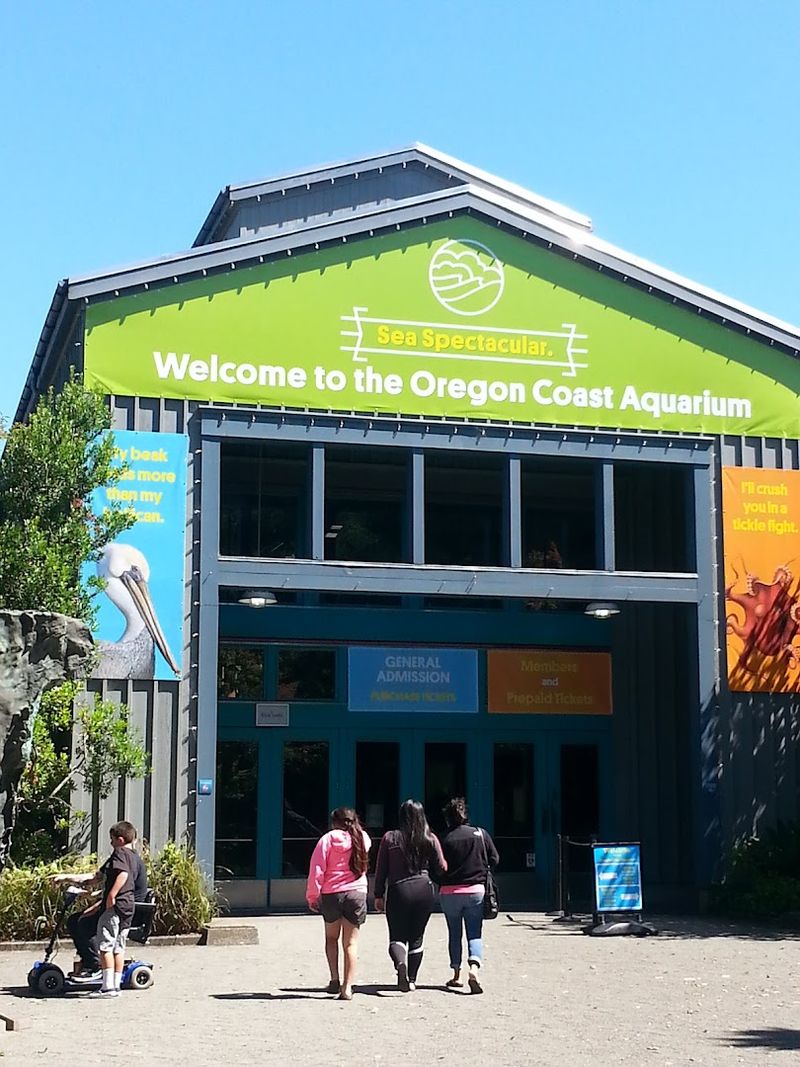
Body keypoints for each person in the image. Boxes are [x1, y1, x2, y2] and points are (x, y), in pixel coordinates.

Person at [374, 799, 446, 992]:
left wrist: (378, 894)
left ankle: (400, 965)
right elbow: (441, 867)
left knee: (396, 936)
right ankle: (412, 979)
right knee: (417, 937)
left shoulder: (390, 838)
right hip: (424, 889)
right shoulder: (430, 838)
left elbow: (381, 869)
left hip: (398, 890)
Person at [64, 828, 148, 982]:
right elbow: (97, 877)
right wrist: (66, 877)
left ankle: (95, 967)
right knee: (76, 919)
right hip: (124, 907)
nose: (110, 842)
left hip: (123, 909)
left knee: (83, 923)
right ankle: (96, 969)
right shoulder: (127, 857)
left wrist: (108, 898)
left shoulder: (122, 856)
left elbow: (123, 879)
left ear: (120, 840)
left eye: (112, 839)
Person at [306, 807, 371, 1001]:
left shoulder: (327, 840)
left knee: (331, 938)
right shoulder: (363, 838)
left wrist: (312, 895)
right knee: (351, 943)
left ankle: (334, 979)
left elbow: (317, 869)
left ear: (334, 822)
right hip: (356, 892)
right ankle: (348, 987)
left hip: (332, 893)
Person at [438, 797, 499, 995]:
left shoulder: (444, 837)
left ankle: (456, 974)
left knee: (454, 934)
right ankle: (474, 968)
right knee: (474, 932)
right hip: (475, 891)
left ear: (448, 817)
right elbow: (495, 859)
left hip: (449, 892)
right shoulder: (480, 834)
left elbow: (436, 867)